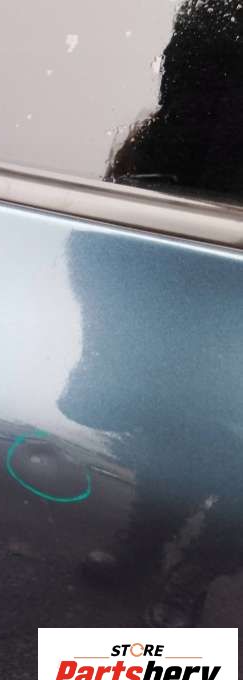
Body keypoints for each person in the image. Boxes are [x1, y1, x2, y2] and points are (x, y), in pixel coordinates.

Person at [58, 0, 243, 627]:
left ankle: (194, 574)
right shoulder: (208, 27)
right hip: (181, 219)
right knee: (174, 430)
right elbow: (182, 81)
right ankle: (144, 550)